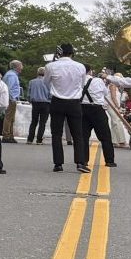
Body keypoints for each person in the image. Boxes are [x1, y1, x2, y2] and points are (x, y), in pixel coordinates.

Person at [44, 43, 89, 173]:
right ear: (72, 53)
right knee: (77, 133)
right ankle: (80, 162)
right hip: (74, 102)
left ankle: (58, 163)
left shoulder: (50, 66)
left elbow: (46, 82)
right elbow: (82, 84)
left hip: (57, 101)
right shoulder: (80, 66)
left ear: (59, 53)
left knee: (56, 133)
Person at [80, 65, 117, 169]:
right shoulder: (97, 81)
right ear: (90, 71)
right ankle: (109, 160)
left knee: (83, 137)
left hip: (82, 109)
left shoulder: (77, 81)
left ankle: (83, 161)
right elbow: (105, 93)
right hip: (97, 109)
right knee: (105, 136)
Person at [27, 66, 50, 144]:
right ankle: (39, 140)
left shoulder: (32, 81)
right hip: (45, 103)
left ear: (37, 73)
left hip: (35, 103)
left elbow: (29, 94)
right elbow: (50, 94)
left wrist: (30, 100)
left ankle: (30, 139)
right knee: (42, 122)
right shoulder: (48, 82)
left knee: (34, 121)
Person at [2, 60, 23, 143]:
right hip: (11, 99)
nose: (22, 67)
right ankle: (6, 136)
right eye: (21, 65)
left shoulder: (11, 74)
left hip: (10, 99)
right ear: (17, 66)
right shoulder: (12, 75)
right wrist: (12, 98)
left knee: (11, 118)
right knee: (8, 117)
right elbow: (9, 88)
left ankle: (10, 135)